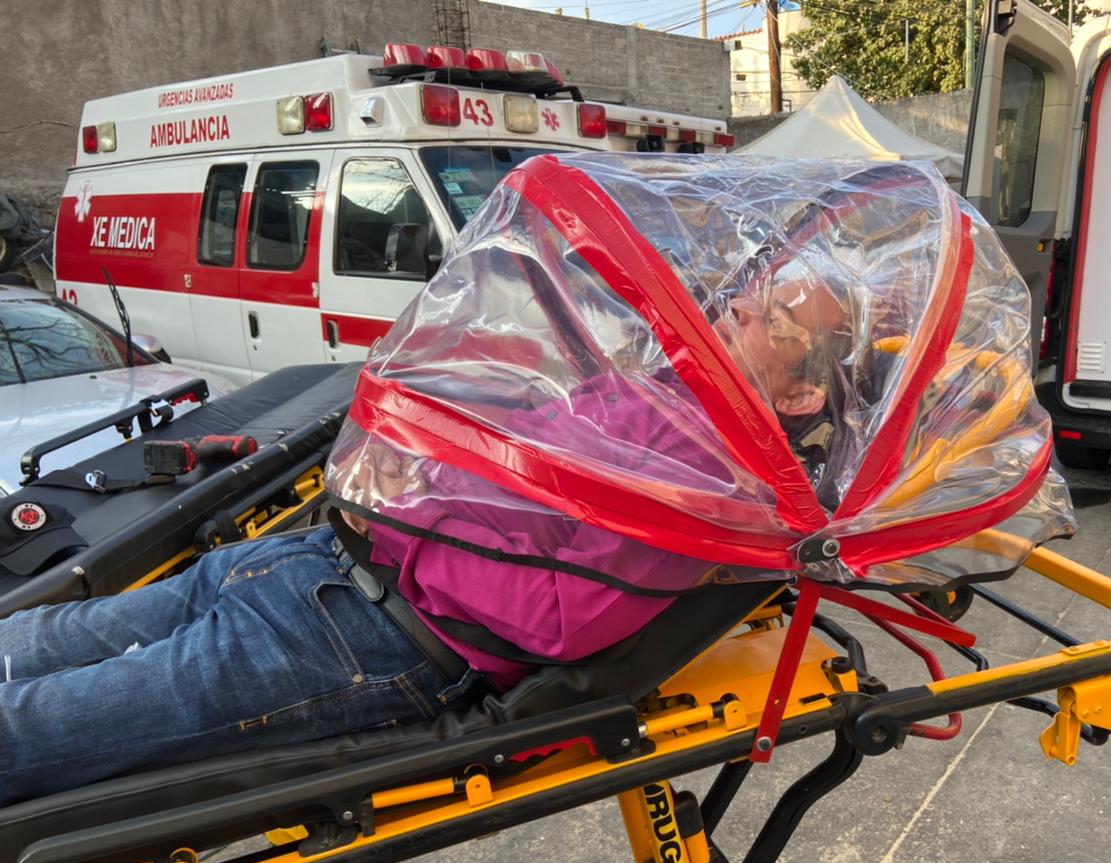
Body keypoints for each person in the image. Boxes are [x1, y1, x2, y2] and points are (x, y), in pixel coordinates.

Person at [0, 271, 851, 807]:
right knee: (38, 638)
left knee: (36, 722)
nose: (740, 303)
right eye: (755, 289)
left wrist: (409, 514)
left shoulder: (710, 487)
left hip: (366, 637)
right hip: (312, 559)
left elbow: (555, 621)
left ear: (803, 395)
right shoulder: (652, 394)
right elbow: (499, 463)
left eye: (774, 317)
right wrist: (411, 462)